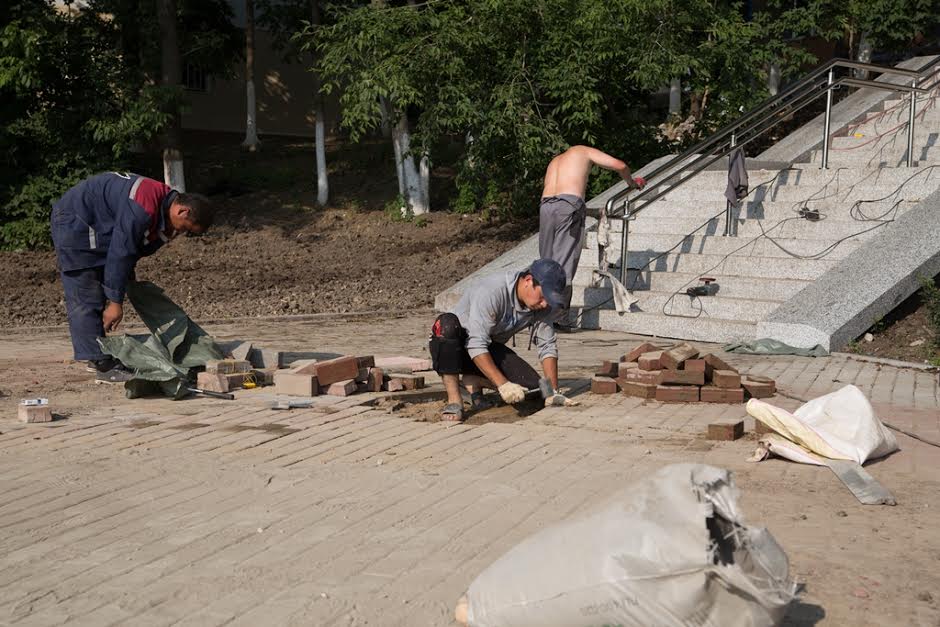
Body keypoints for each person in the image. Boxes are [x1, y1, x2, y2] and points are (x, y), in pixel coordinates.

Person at [51, 172, 214, 383]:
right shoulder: (143, 206)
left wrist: (121, 284)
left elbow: (134, 251)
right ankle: (101, 363)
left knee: (102, 286)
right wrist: (115, 302)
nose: (180, 233)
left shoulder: (163, 205)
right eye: (184, 228)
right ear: (182, 210)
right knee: (86, 288)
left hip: (99, 224)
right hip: (76, 220)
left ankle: (96, 351)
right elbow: (122, 250)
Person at [428, 258, 579, 422]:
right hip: (453, 348)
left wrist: (552, 392)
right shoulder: (493, 291)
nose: (544, 304)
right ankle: (454, 400)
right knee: (447, 325)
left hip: (486, 350)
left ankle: (473, 381)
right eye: (543, 297)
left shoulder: (540, 306)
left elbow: (547, 345)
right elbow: (476, 344)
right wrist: (503, 384)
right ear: (528, 281)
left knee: (535, 391)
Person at [538, 145, 646, 329]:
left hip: (546, 207)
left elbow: (559, 205)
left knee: (546, 264)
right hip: (569, 205)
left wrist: (592, 212)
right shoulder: (583, 151)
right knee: (563, 264)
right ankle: (557, 319)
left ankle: (537, 313)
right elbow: (620, 165)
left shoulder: (555, 161)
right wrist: (632, 183)